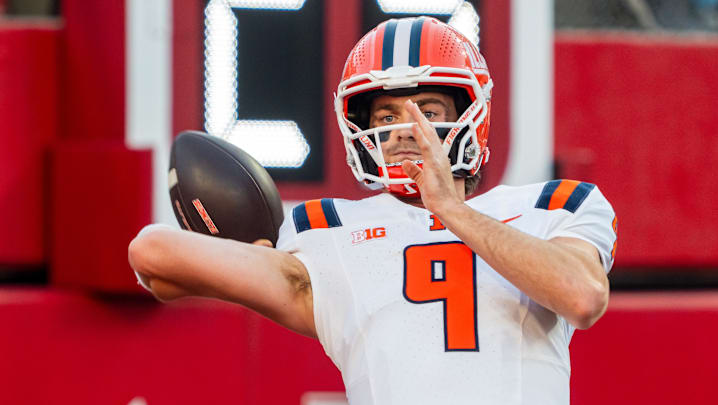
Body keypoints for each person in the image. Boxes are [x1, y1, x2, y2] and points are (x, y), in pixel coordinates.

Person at [129, 17, 617, 405]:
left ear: (472, 116)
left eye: (428, 108)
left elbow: (582, 296)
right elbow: (153, 255)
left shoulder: (552, 205)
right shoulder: (329, 233)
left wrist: (450, 209)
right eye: (386, 116)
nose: (406, 130)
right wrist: (255, 254)